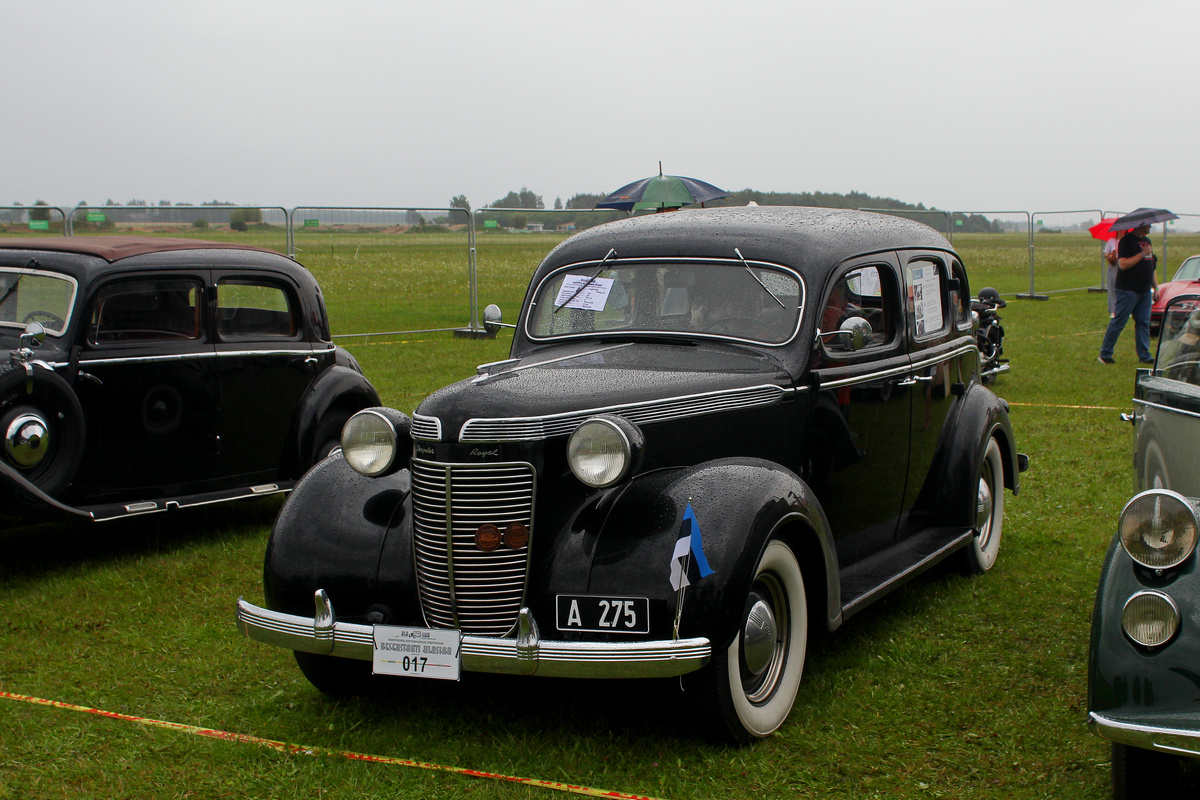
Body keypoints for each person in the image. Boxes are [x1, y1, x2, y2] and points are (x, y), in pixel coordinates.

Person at [1098, 224, 1159, 364]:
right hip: (1128, 290)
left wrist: (1156, 287)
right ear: (1141, 225)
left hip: (1144, 291)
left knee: (1143, 323)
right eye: (1148, 224)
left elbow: (1151, 266)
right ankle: (1105, 354)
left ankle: (1144, 356)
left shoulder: (1147, 241)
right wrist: (1142, 254)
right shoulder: (1126, 241)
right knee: (1119, 321)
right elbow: (1123, 264)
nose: (1151, 226)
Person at [1104, 235, 1119, 317]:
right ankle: (1113, 310)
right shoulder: (1111, 240)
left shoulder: (1127, 240)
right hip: (1113, 266)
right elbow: (1106, 254)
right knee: (1112, 287)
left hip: (1124, 264)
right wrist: (1111, 256)